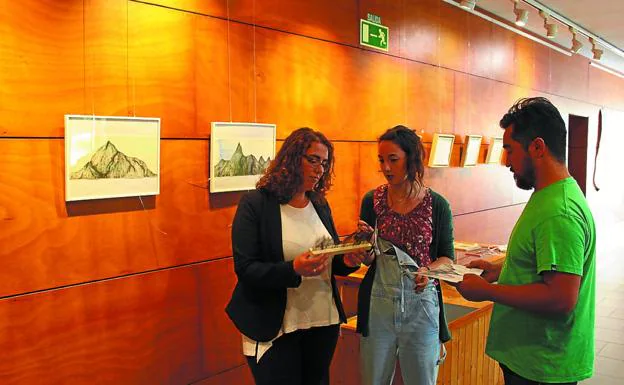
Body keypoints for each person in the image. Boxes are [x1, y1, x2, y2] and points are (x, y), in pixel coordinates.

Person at [456, 97, 596, 385]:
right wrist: (501, 272)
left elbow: (560, 298)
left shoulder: (560, 211)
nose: (506, 161)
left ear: (537, 147)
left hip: (542, 365)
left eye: (509, 149)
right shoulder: (549, 196)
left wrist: (488, 292)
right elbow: (544, 266)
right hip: (533, 359)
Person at [225, 127, 366, 385]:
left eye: (324, 163)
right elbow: (245, 269)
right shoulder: (256, 204)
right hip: (275, 325)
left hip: (323, 321)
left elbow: (330, 261)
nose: (319, 169)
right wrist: (293, 269)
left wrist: (346, 260)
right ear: (291, 158)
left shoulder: (320, 204)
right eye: (313, 160)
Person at [355, 125, 455, 385]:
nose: (386, 168)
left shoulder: (438, 205)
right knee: (373, 380)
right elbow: (368, 260)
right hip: (379, 302)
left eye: (393, 159)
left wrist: (429, 270)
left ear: (411, 159)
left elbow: (447, 257)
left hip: (421, 303)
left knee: (422, 379)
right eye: (381, 160)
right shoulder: (372, 200)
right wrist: (363, 248)